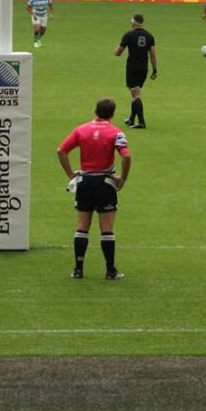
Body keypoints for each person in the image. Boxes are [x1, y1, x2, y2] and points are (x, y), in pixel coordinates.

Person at [57, 98, 130, 281]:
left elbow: (61, 151)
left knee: (82, 226)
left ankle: (78, 269)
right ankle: (110, 271)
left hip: (85, 182)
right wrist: (122, 178)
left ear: (95, 110)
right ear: (112, 114)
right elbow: (126, 156)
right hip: (105, 183)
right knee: (106, 228)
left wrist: (71, 175)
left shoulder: (81, 129)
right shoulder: (116, 133)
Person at [115, 12, 157, 129]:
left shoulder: (129, 35)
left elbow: (118, 52)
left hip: (132, 68)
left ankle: (142, 122)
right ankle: (131, 119)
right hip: (144, 68)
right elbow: (153, 55)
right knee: (136, 91)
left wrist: (115, 51)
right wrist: (154, 69)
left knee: (135, 94)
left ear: (133, 22)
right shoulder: (149, 36)